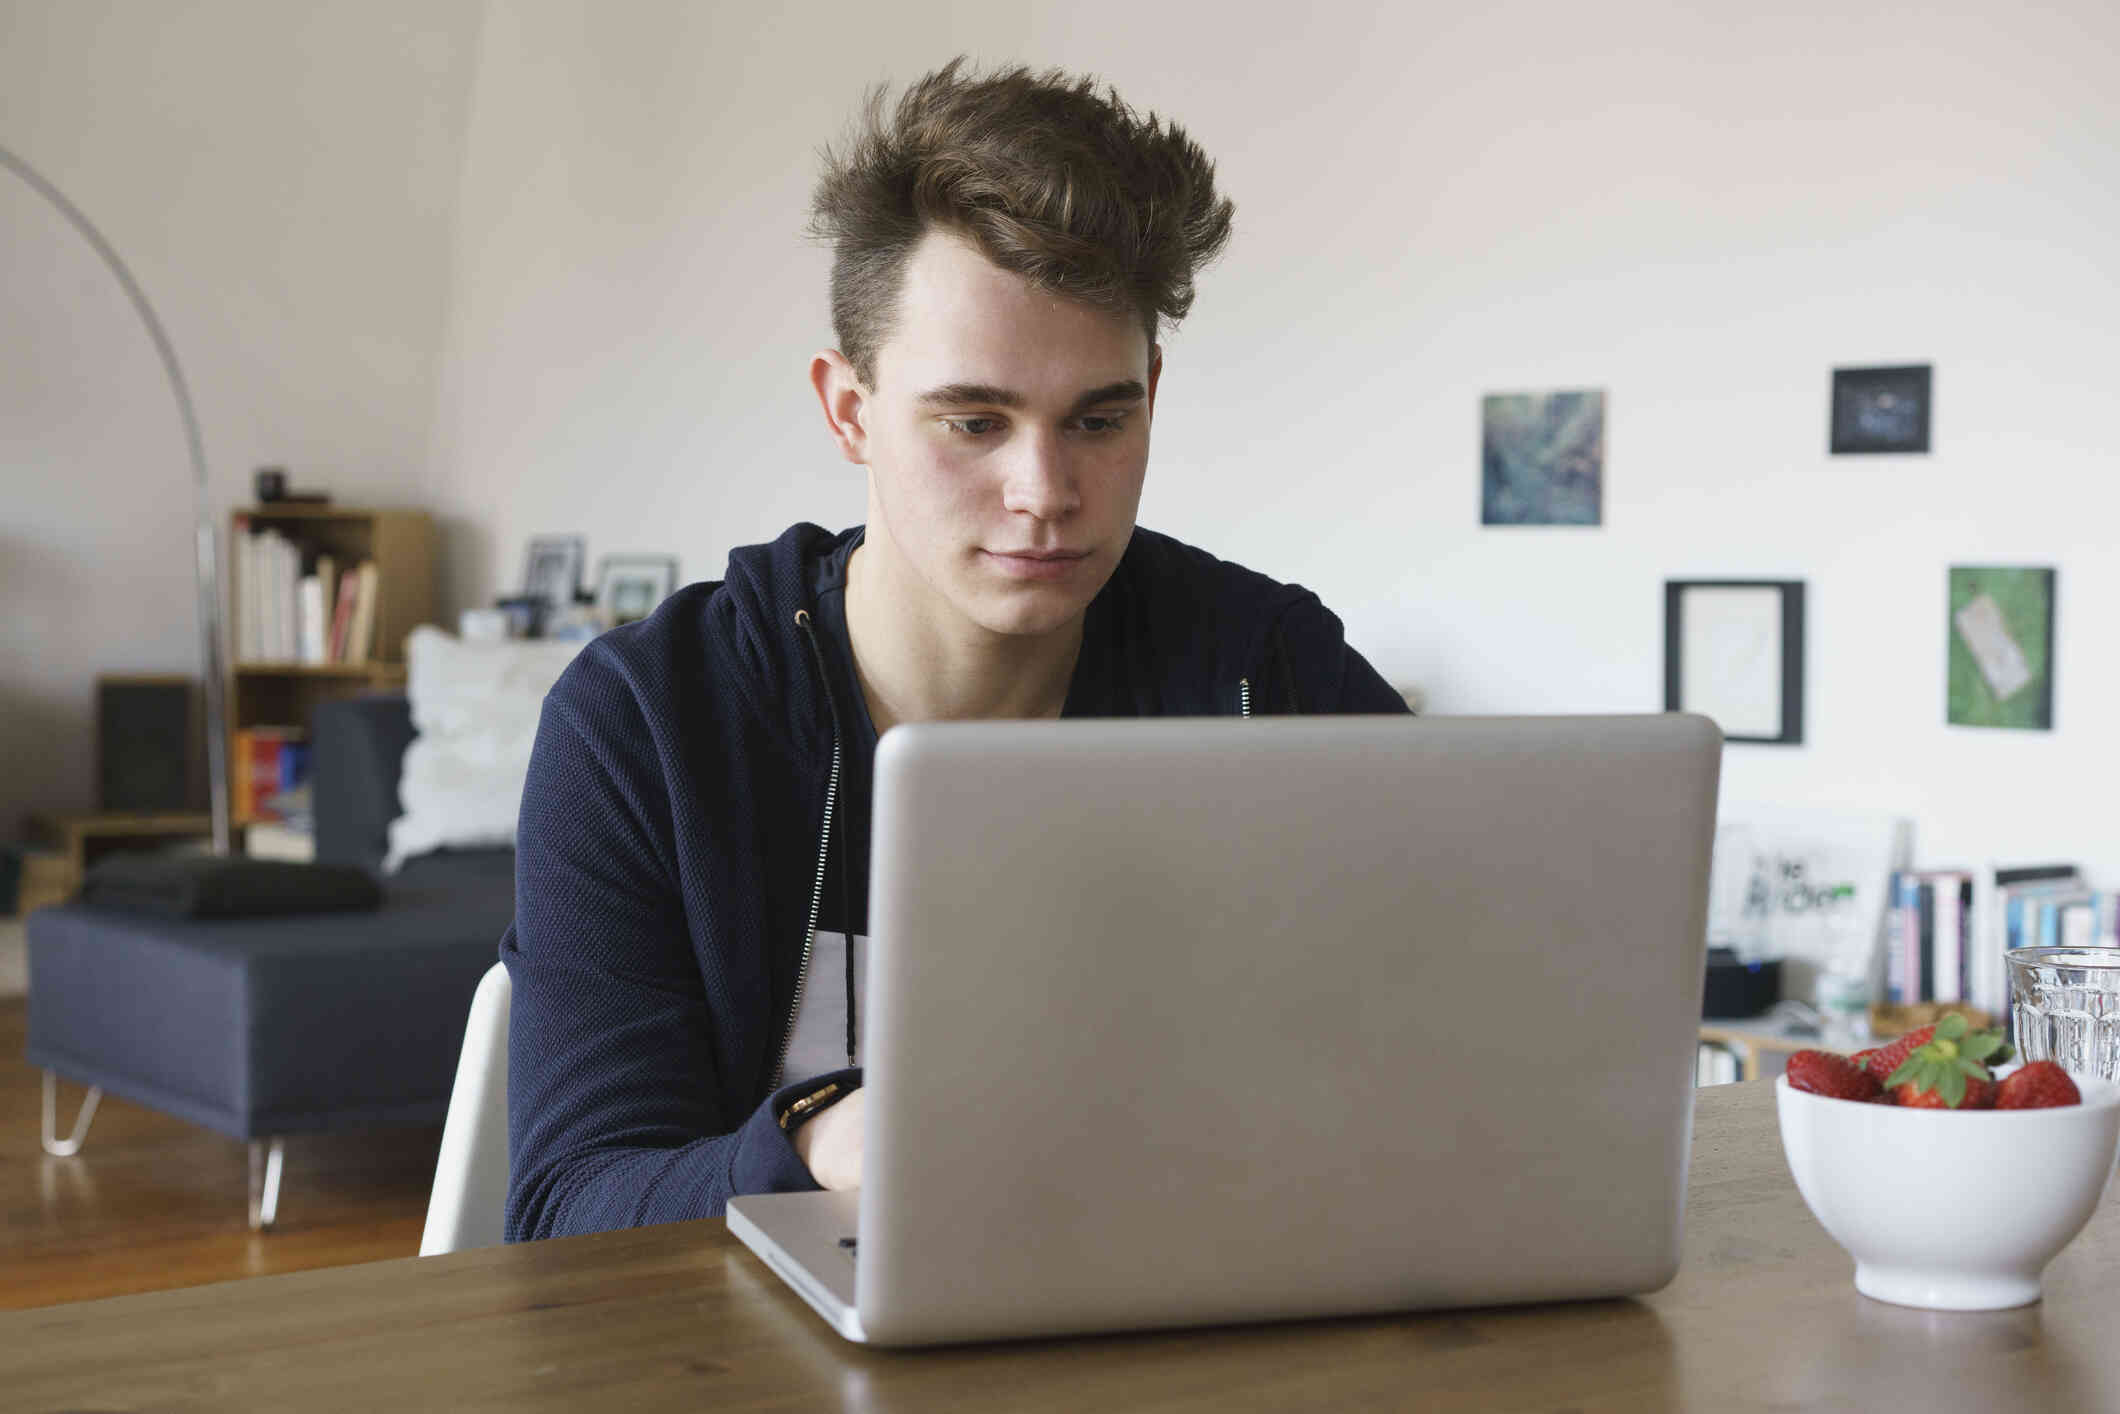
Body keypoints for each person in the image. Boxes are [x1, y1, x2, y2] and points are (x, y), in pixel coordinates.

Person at [503, 58, 1409, 1242]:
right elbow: (570, 1212)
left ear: (1150, 396)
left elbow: (1461, 1049)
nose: (1044, 492)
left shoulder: (1264, 666)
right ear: (849, 411)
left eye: (1099, 418)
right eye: (972, 422)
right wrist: (816, 1145)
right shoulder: (650, 722)